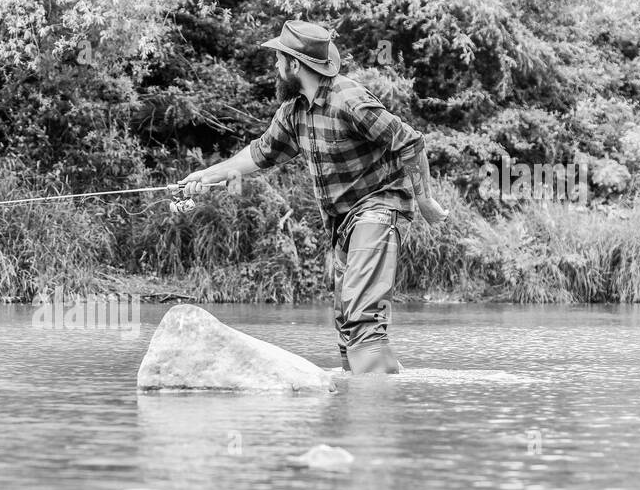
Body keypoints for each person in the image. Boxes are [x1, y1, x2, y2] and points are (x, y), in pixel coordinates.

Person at [178, 20, 448, 374]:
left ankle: (374, 420)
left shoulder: (350, 101)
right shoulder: (294, 111)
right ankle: (364, 400)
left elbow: (410, 142)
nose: (275, 67)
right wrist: (206, 176)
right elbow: (258, 154)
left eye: (278, 60)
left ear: (294, 65)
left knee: (362, 319)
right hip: (342, 222)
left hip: (380, 207)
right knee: (345, 328)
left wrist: (425, 200)